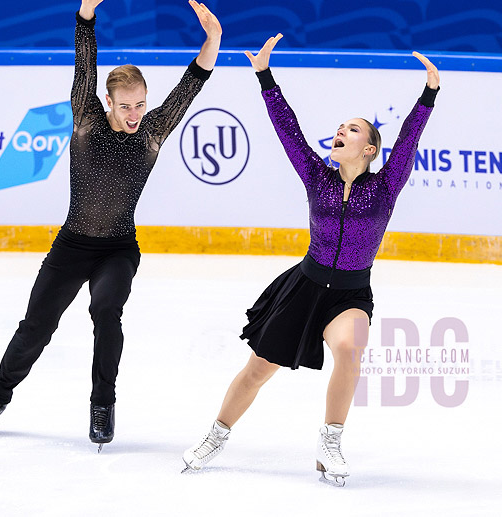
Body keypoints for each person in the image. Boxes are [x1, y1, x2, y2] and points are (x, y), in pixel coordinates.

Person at [0, 0, 222, 451]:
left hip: (118, 249)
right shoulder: (85, 117)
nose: (136, 113)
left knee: (107, 309)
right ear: (108, 101)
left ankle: (103, 403)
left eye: (141, 104)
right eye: (126, 105)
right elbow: (85, 63)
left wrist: (214, 39)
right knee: (36, 326)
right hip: (72, 245)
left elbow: (193, 82)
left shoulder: (152, 131)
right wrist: (86, 13)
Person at [182, 35, 440, 485]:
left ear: (370, 149)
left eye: (353, 130)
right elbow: (288, 129)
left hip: (351, 293)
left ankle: (331, 440)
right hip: (304, 285)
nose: (341, 132)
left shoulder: (386, 186)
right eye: (340, 127)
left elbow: (409, 141)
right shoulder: (316, 176)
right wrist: (265, 76)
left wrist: (429, 94)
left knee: (348, 348)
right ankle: (215, 435)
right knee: (258, 370)